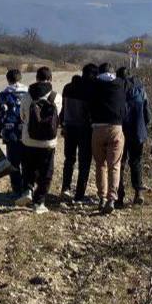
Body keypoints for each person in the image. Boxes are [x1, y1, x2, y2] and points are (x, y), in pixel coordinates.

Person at [16, 67, 60, 214]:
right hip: (48, 142)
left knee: (28, 167)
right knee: (46, 172)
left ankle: (27, 191)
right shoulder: (56, 97)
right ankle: (39, 202)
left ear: (36, 78)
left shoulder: (27, 96)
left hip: (28, 140)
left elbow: (22, 117)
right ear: (51, 79)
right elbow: (59, 118)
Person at [90, 62, 127, 215]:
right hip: (115, 128)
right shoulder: (121, 84)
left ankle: (102, 198)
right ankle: (112, 198)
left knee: (100, 165)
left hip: (98, 128)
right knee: (115, 165)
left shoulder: (93, 85)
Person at [59, 66, 95, 202]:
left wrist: (62, 124)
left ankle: (65, 188)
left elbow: (63, 107)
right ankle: (79, 195)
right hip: (85, 130)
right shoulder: (88, 90)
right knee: (84, 163)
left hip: (69, 128)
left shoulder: (67, 88)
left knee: (69, 160)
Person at [116, 67, 150, 207]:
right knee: (136, 161)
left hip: (121, 130)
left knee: (119, 163)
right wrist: (145, 125)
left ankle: (119, 196)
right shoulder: (140, 88)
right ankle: (138, 192)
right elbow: (147, 113)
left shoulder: (118, 89)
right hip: (138, 130)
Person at [0, 69, 29, 199]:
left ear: (8, 79)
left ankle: (17, 190)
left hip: (10, 133)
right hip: (27, 133)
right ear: (20, 79)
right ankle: (27, 188)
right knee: (27, 162)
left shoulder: (3, 95)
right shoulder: (28, 93)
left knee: (13, 163)